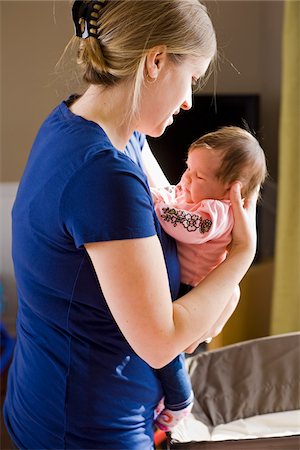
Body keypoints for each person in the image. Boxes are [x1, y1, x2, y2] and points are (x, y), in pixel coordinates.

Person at [4, 1, 259, 449]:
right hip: (88, 429)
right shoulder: (105, 173)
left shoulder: (93, 127)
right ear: (156, 61)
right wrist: (241, 254)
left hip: (55, 399)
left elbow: (171, 210)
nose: (188, 102)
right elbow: (163, 342)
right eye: (192, 80)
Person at [152, 126, 267, 431]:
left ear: (231, 189)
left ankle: (179, 399)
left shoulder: (217, 212)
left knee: (168, 351)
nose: (186, 178)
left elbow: (183, 225)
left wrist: (155, 204)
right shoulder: (197, 195)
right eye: (188, 168)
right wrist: (167, 195)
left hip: (194, 290)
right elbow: (175, 194)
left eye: (199, 176)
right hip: (190, 289)